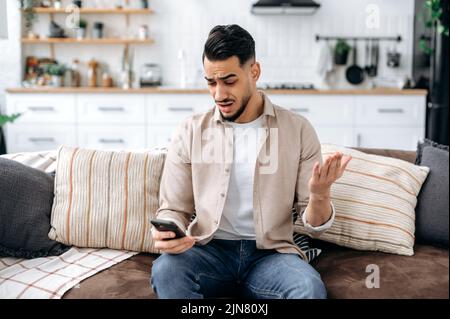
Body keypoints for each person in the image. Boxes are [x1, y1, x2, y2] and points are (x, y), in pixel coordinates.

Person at [150, 24, 352, 299]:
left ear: (254, 72)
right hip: (210, 251)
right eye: (211, 82)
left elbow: (313, 223)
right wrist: (168, 231)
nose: (219, 94)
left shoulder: (298, 129)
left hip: (271, 255)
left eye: (229, 81)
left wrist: (320, 195)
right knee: (166, 271)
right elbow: (173, 207)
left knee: (308, 289)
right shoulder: (190, 131)